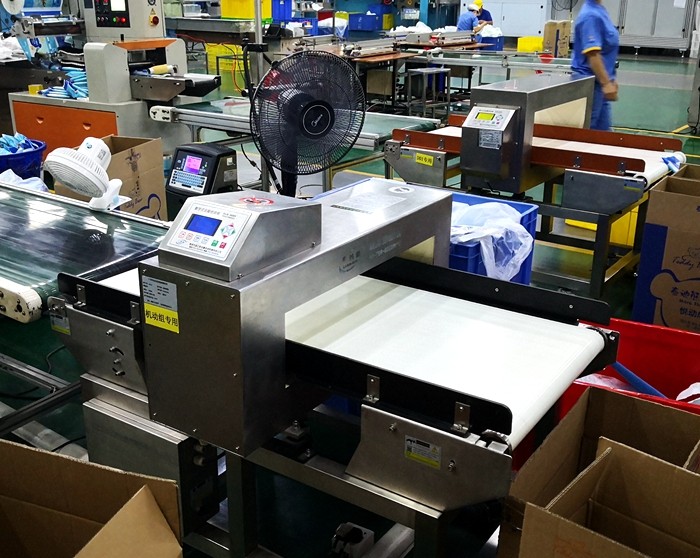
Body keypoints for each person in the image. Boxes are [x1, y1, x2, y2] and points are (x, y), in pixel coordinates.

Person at [571, 0, 620, 131]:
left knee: (602, 133)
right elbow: (593, 54)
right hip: (589, 85)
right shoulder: (590, 16)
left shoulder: (599, 10)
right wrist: (606, 83)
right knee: (587, 131)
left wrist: (610, 78)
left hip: (600, 84)